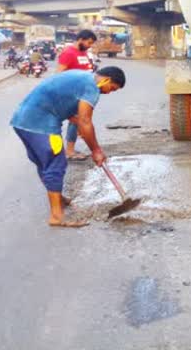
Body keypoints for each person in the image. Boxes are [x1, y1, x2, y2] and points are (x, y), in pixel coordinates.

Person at [10, 67, 126, 228]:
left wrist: (81, 126)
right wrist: (96, 151)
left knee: (44, 163)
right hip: (41, 126)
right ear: (106, 79)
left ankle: (59, 198)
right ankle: (56, 217)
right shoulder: (92, 87)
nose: (109, 92)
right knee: (56, 164)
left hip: (21, 121)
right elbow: (86, 121)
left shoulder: (82, 77)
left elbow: (67, 108)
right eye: (112, 88)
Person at [57, 30, 97, 161]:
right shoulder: (68, 53)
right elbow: (59, 74)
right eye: (89, 42)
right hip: (71, 93)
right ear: (81, 39)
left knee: (76, 122)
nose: (89, 45)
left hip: (81, 93)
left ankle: (70, 149)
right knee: (76, 121)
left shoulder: (83, 52)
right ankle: (68, 151)